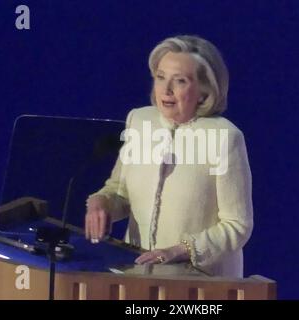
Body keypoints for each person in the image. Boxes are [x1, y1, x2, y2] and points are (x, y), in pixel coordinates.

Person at [85, 35, 253, 277]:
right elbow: (119, 191)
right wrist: (101, 204)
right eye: (160, 77)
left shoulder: (224, 137)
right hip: (134, 274)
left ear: (205, 91)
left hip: (199, 283)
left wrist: (180, 250)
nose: (166, 90)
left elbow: (238, 225)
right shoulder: (140, 121)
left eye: (180, 81)